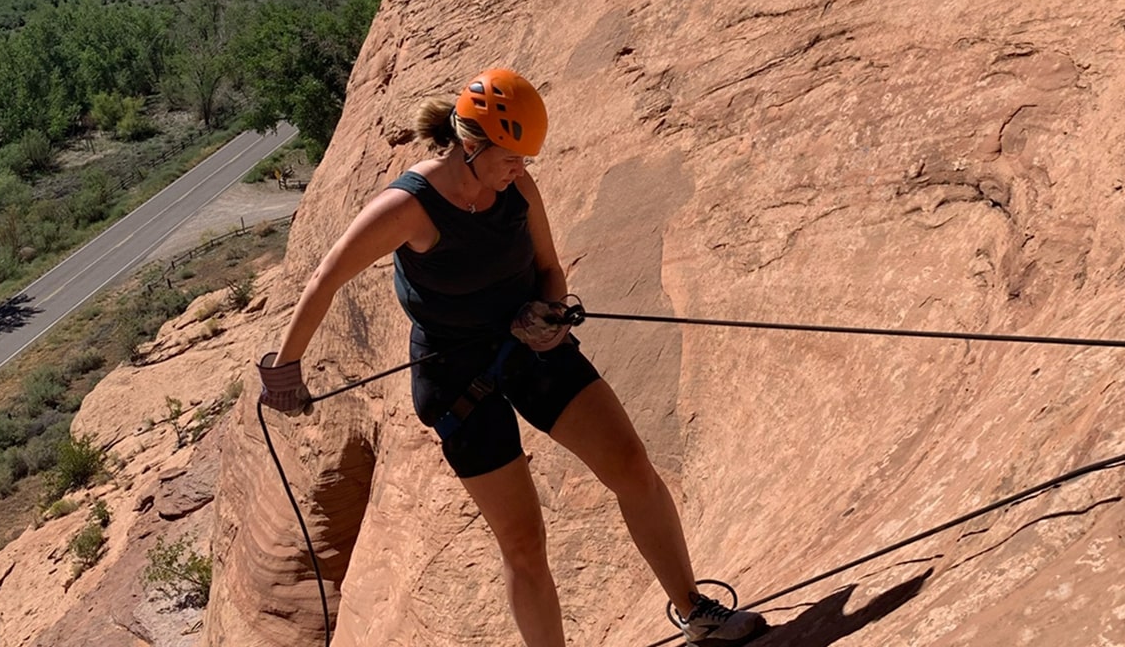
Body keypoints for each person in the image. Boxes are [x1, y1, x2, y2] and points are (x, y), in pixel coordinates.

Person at [257, 68, 765, 645]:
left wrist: (549, 312)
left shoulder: (518, 189)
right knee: (524, 543)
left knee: (631, 466)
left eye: (526, 159)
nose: (521, 169)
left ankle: (695, 610)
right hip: (456, 382)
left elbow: (549, 268)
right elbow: (326, 278)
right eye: (511, 157)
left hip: (530, 346)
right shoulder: (409, 206)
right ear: (471, 145)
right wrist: (285, 368)